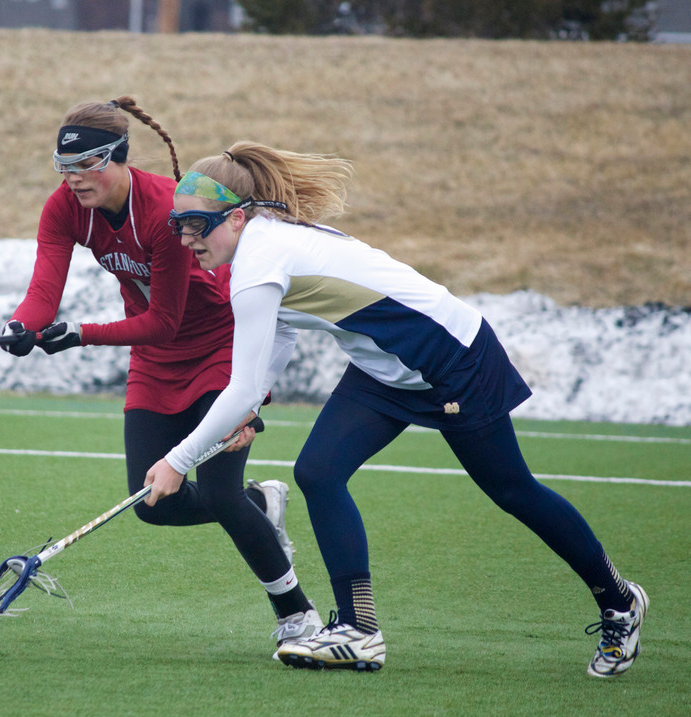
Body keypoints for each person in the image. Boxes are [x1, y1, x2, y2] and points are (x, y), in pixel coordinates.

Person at [144, 141, 648, 677]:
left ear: (238, 217)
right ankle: (359, 632)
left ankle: (619, 601)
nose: (188, 239)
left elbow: (240, 386)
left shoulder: (261, 258)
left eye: (198, 224)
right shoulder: (259, 248)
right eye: (180, 226)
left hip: (451, 358)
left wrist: (179, 459)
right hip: (384, 369)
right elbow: (282, 335)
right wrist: (251, 407)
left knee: (512, 490)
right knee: (318, 471)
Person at [0, 98, 322, 656]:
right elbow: (42, 293)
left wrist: (79, 333)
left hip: (219, 348)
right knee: (154, 503)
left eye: (88, 165)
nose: (76, 180)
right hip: (153, 361)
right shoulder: (64, 209)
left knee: (218, 492)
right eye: (65, 167)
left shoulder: (161, 213)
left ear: (120, 158)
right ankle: (262, 504)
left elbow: (165, 320)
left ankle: (297, 615)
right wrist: (19, 326)